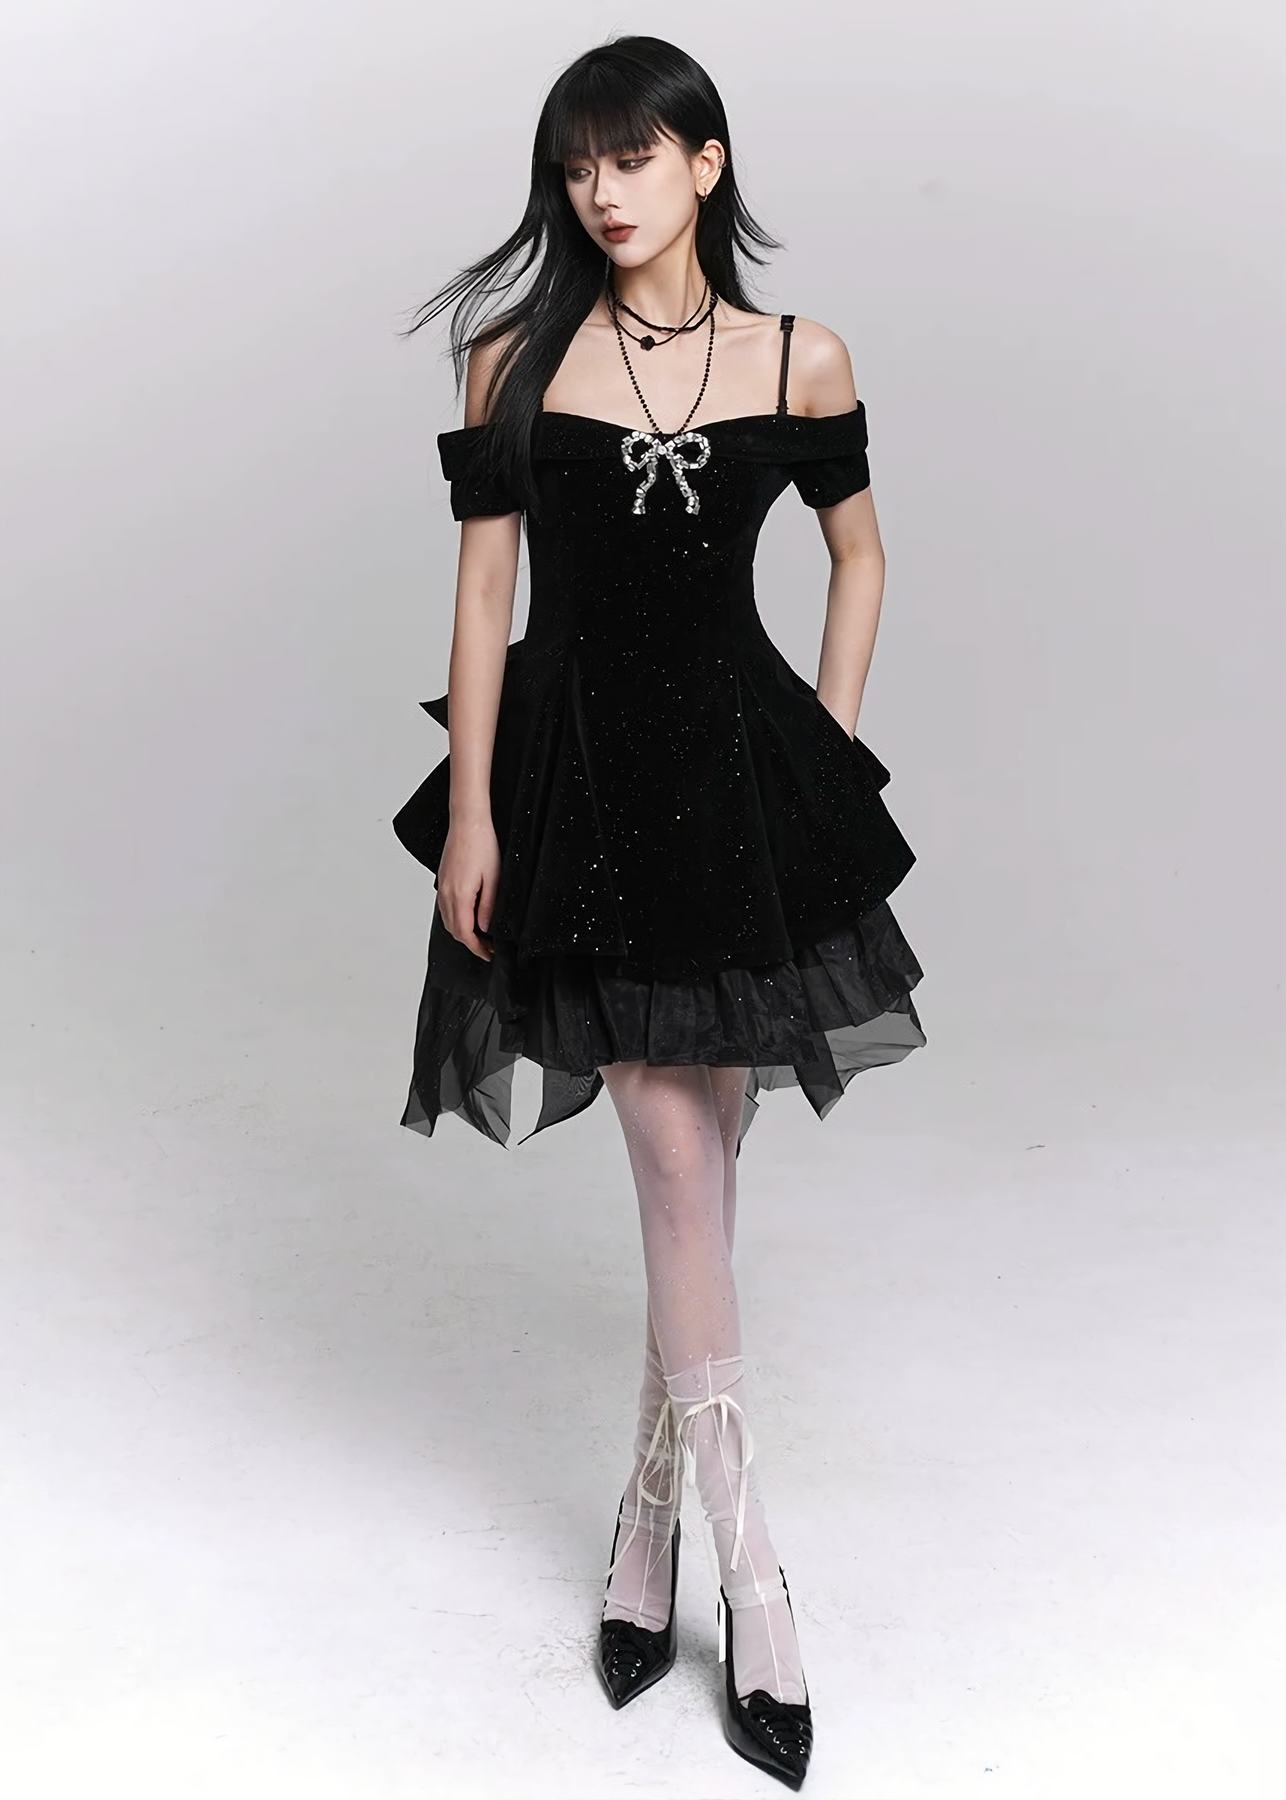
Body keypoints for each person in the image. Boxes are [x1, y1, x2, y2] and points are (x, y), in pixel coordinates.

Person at [393, 34, 926, 1790]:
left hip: (741, 783)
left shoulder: (799, 353)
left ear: (703, 161)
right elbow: (483, 597)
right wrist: (476, 808)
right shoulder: (512, 360)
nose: (599, 192)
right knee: (678, 1170)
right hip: (580, 795)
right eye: (574, 167)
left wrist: (825, 755)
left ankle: (643, 1519)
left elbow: (858, 552)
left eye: (630, 157)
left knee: (705, 1167)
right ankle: (753, 1578)